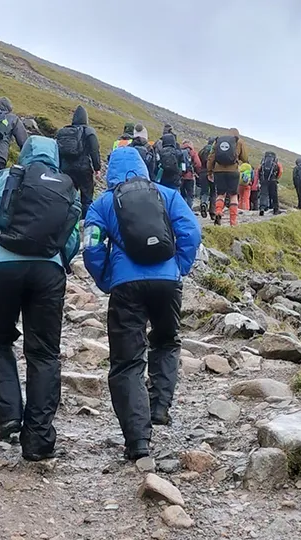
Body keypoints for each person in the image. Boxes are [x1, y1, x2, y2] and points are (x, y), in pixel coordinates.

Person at [82, 145, 202, 462]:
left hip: (125, 286)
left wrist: (105, 278)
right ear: (143, 167)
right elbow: (191, 231)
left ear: (111, 172)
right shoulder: (168, 195)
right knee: (165, 341)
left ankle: (137, 442)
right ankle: (159, 407)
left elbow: (92, 246)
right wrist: (179, 266)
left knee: (127, 362)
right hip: (167, 283)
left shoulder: (102, 203)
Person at [0, 135, 83, 462]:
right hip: (48, 273)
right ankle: (38, 441)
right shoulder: (66, 187)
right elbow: (71, 239)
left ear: (25, 153)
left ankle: (7, 413)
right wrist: (57, 261)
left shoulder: (5, 177)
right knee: (44, 353)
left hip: (3, 268)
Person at [55, 106, 104, 210]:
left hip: (66, 169)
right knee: (86, 199)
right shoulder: (89, 131)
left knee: (67, 196)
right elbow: (94, 150)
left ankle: (65, 217)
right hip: (83, 170)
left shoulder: (64, 131)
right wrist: (97, 169)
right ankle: (84, 219)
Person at [205, 130, 248, 226]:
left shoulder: (218, 141)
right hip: (233, 171)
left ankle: (218, 211)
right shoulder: (239, 141)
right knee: (233, 195)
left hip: (218, 171)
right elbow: (245, 158)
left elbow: (211, 157)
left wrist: (209, 171)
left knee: (220, 194)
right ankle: (233, 221)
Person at [257, 151, 282, 216]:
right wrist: (276, 178)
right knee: (274, 195)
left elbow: (258, 169)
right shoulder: (276, 161)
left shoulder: (263, 161)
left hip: (264, 180)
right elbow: (280, 171)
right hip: (273, 180)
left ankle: (262, 208)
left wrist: (260, 178)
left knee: (263, 194)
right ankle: (275, 209)